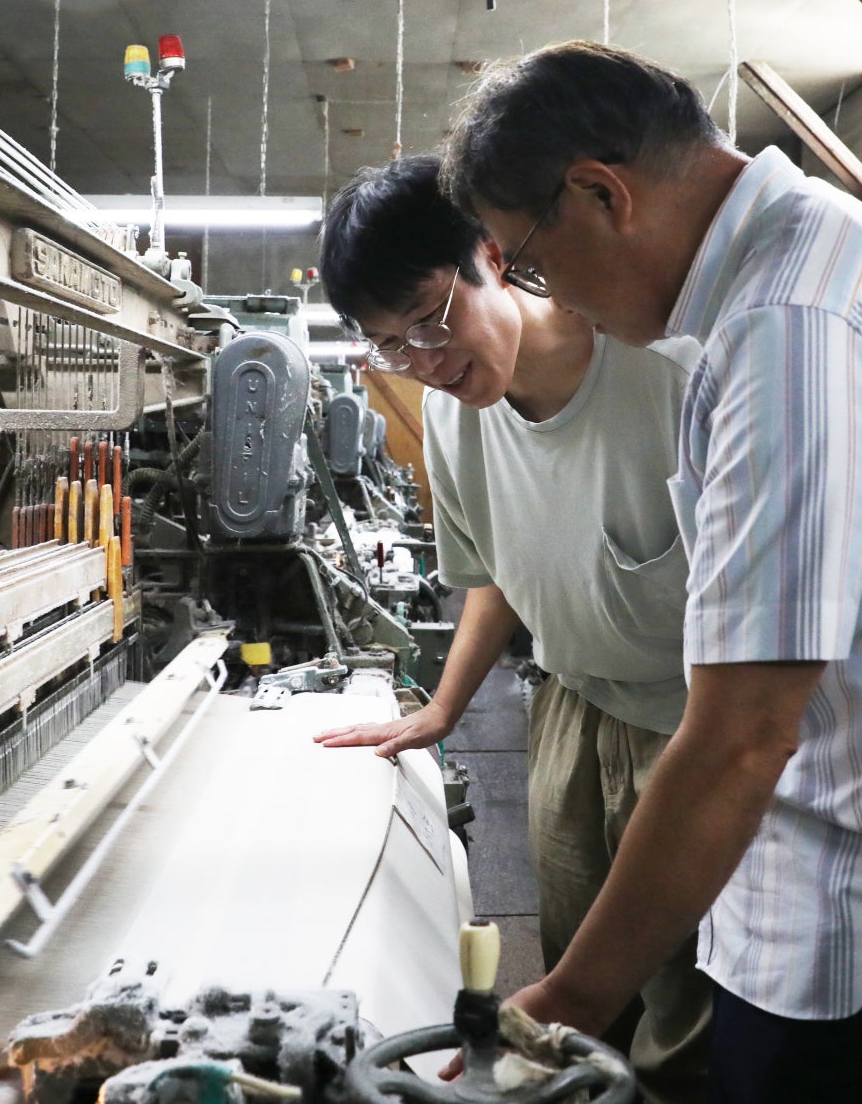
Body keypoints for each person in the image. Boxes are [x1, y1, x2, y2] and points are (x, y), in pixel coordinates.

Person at [438, 42, 862, 1103]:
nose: (551, 296)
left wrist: (570, 1000)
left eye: (532, 264)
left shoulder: (793, 329)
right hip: (847, 903)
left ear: (602, 195)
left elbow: (744, 736)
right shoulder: (799, 271)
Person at [311, 154, 712, 1104]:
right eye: (390, 346)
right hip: (571, 711)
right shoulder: (454, 419)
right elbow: (495, 572)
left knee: (688, 999)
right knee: (578, 983)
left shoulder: (665, 370)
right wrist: (442, 709)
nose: (424, 361)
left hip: (693, 723)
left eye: (429, 319)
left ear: (491, 256)